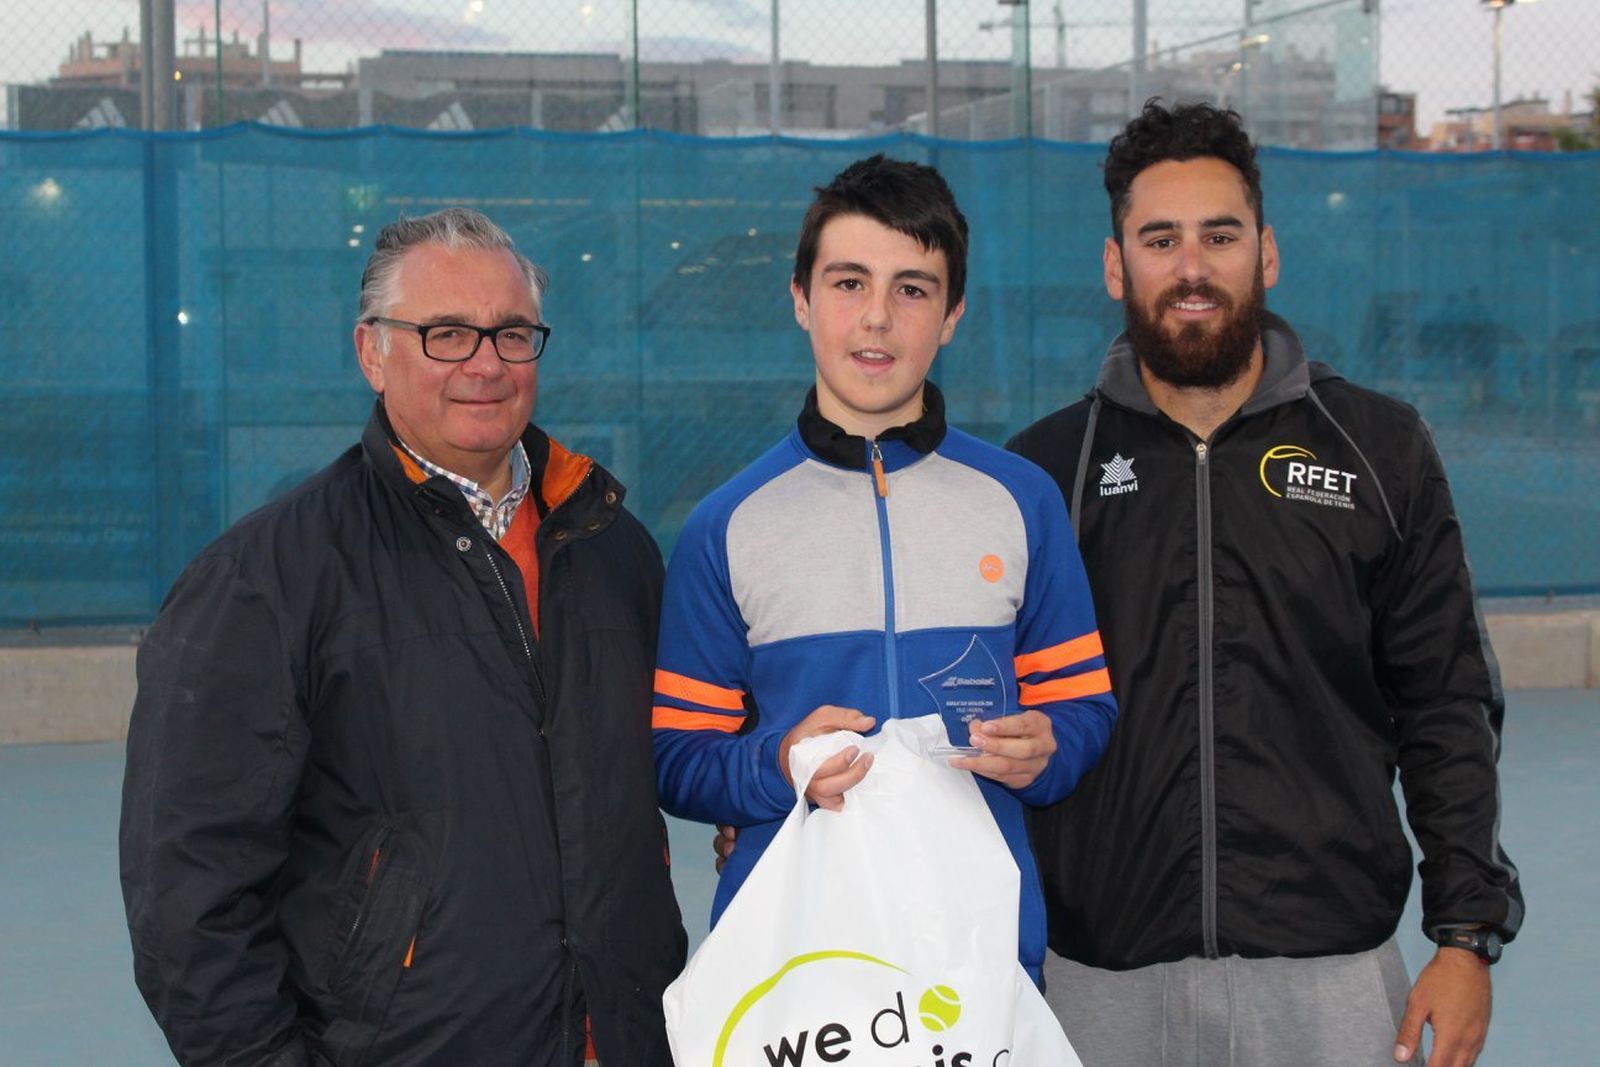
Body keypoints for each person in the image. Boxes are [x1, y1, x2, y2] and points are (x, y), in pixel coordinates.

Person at [1007, 101, 1524, 1067]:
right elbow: (979, 704)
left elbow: (1446, 701)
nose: (1191, 266)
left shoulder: (1378, 448)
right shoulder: (1045, 474)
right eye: (1160, 239)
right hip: (1096, 979)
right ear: (1118, 265)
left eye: (1220, 235)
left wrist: (1464, 937)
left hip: (1331, 974)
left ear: (1267, 253)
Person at [120, 207, 686, 1066]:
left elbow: (679, 755)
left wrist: (778, 770)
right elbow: (189, 902)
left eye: (511, 333)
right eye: (447, 334)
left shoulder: (614, 547)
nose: (486, 365)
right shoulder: (266, 577)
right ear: (371, 352)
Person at [653, 154, 1117, 984]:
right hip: (793, 975)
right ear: (800, 299)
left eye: (912, 288)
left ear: (952, 314)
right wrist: (775, 765)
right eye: (848, 283)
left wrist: (1049, 747)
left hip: (981, 968)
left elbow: (1083, 706)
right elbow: (678, 755)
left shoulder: (1022, 501)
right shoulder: (725, 525)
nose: (876, 318)